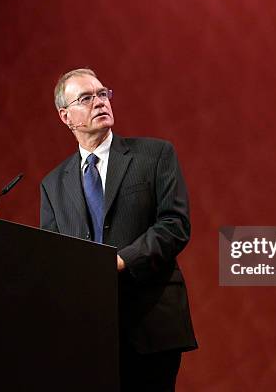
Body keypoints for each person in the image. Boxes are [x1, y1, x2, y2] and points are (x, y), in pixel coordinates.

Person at [40, 68, 197, 391]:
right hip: (87, 333)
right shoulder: (53, 185)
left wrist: (122, 261)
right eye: (86, 98)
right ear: (65, 116)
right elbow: (52, 256)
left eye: (102, 94)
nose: (99, 102)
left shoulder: (154, 155)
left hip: (150, 326)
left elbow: (174, 225)